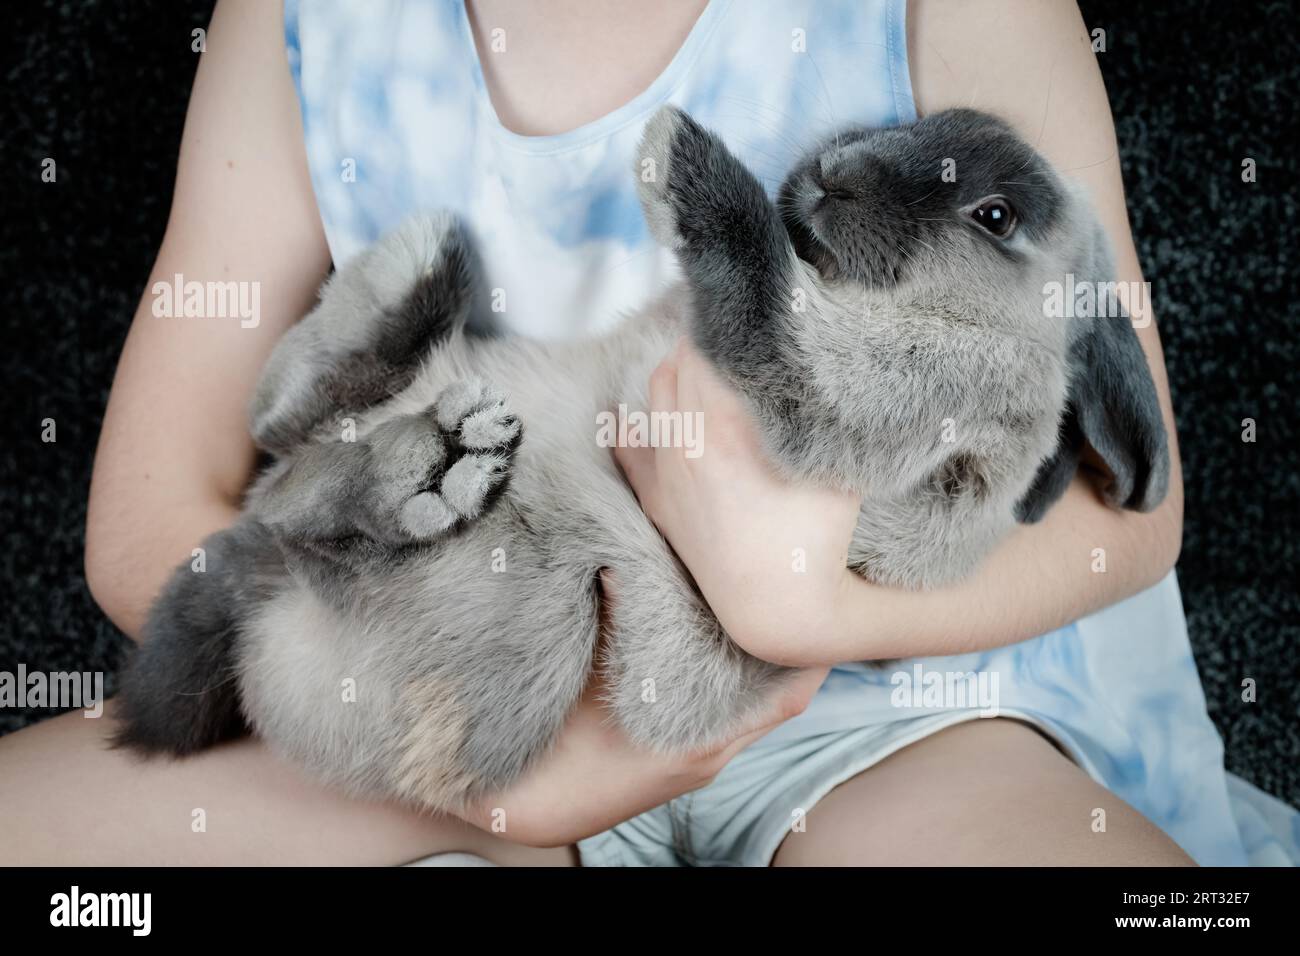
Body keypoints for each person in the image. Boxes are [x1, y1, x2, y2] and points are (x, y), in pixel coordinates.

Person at [1, 0, 1292, 866]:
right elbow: (153, 511)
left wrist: (805, 610)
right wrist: (466, 768)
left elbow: (1134, 511)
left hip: (913, 700)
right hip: (483, 675)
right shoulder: (298, 24)